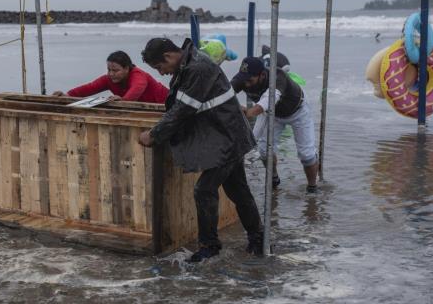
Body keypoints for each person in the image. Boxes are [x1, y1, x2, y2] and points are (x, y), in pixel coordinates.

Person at [138, 38, 263, 262]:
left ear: (168, 56)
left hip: (228, 138)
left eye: (159, 67)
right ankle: (258, 239)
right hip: (226, 135)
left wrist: (154, 134)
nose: (161, 73)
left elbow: (183, 109)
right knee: (238, 191)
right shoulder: (189, 64)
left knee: (204, 190)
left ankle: (210, 246)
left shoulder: (197, 67)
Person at [231, 56, 319, 193]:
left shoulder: (277, 76)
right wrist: (235, 106)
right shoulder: (241, 80)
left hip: (298, 111)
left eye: (250, 80)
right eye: (244, 80)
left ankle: (312, 188)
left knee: (306, 155)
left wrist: (249, 112)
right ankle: (274, 178)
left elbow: (270, 99)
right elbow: (225, 95)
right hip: (273, 114)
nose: (246, 84)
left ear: (262, 75)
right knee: (264, 151)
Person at [52, 51, 168, 103]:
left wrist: (124, 100)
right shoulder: (109, 79)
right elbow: (90, 88)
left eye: (115, 70)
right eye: (109, 70)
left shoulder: (138, 75)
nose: (111, 73)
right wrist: (67, 95)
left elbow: (137, 88)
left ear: (127, 68)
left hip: (166, 103)